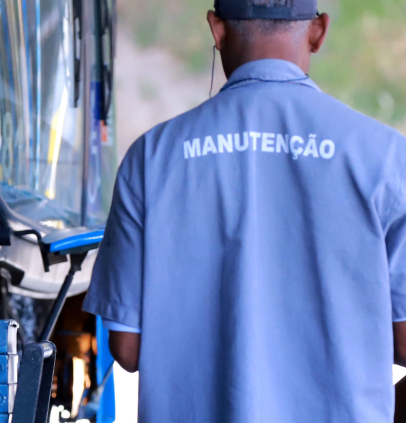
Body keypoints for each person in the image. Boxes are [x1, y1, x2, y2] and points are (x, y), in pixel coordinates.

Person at [83, 0, 406, 421]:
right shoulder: (383, 157)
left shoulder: (152, 157)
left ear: (216, 29)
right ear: (318, 31)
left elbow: (126, 348)